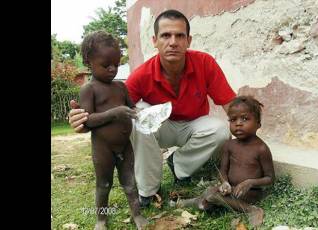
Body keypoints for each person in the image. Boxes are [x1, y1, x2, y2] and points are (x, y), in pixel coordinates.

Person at [68, 9, 236, 207]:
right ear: (155, 40)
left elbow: (232, 106)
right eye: (166, 35)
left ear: (188, 41)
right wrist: (83, 119)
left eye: (179, 35)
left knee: (221, 129)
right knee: (134, 115)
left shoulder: (205, 63)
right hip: (160, 129)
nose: (173, 42)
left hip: (193, 126)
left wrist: (248, 129)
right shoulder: (142, 75)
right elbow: (114, 108)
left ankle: (179, 166)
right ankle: (148, 191)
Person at [78, 31, 147, 230]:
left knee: (130, 183)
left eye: (116, 64)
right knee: (104, 185)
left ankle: (137, 216)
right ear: (88, 62)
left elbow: (132, 108)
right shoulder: (89, 89)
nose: (113, 69)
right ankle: (101, 219)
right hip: (103, 148)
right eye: (106, 64)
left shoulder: (120, 87)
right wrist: (114, 113)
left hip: (125, 145)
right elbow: (88, 120)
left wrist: (141, 113)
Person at [174, 96, 275, 228]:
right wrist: (224, 182)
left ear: (258, 124)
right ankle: (200, 201)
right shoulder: (229, 145)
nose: (238, 123)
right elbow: (223, 171)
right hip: (230, 190)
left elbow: (270, 178)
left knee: (211, 195)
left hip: (250, 193)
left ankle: (252, 210)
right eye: (233, 120)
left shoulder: (261, 149)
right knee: (211, 194)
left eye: (245, 119)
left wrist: (250, 183)